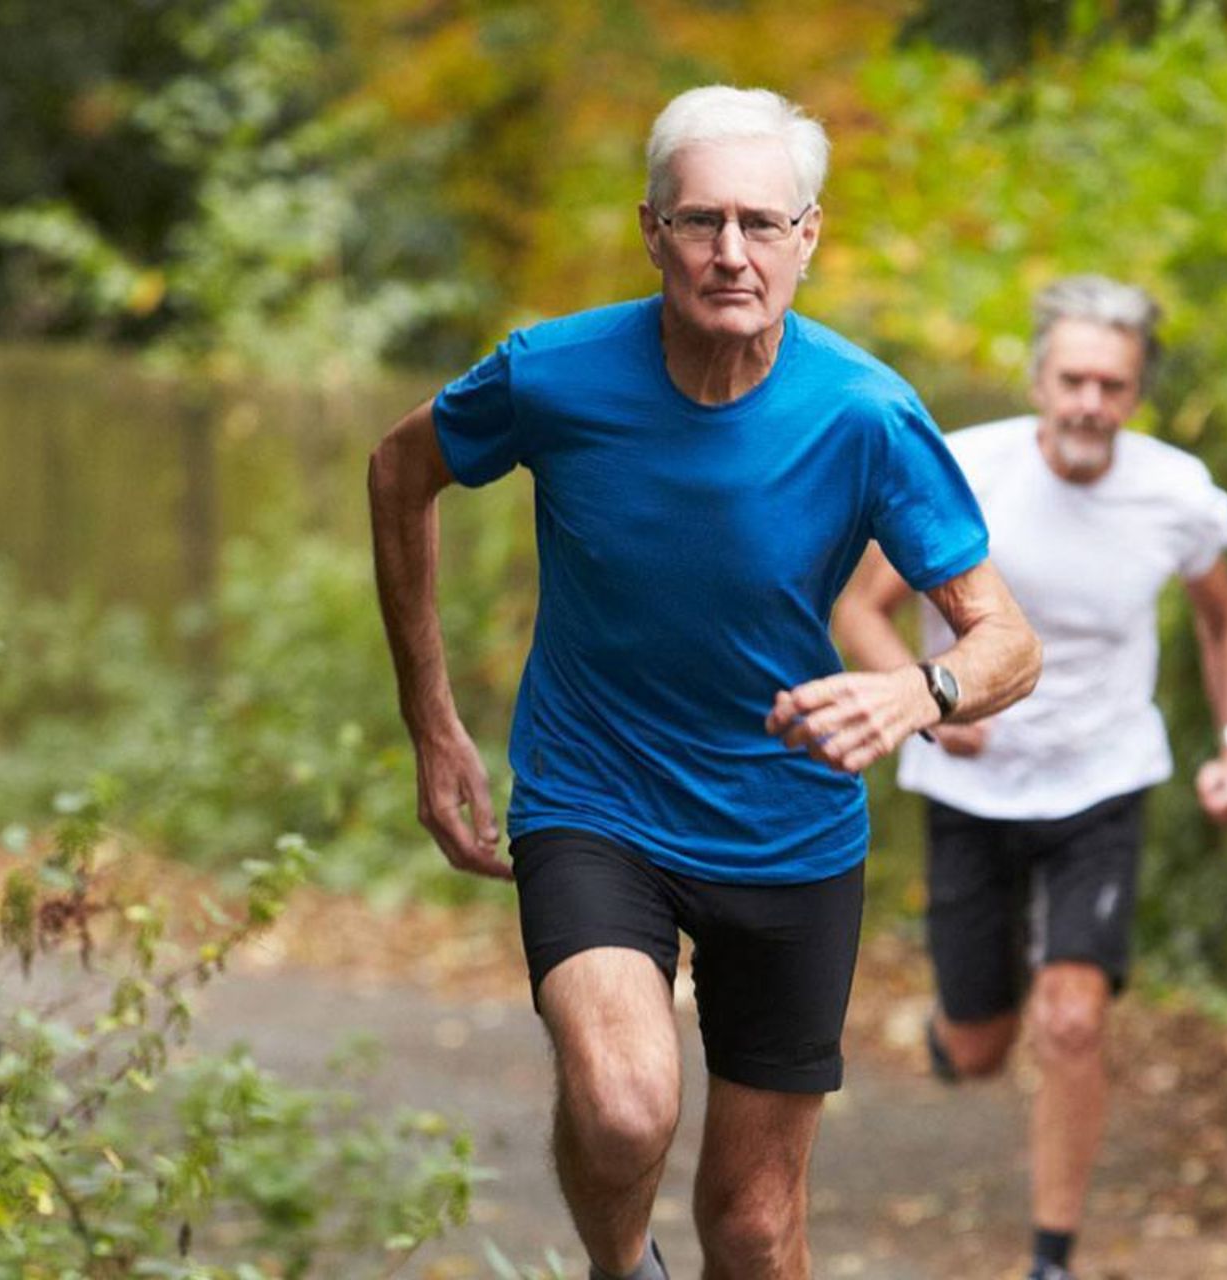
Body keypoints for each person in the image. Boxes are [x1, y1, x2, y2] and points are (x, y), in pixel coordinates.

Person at [367, 86, 1039, 1280]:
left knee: (754, 1225)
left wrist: (914, 692)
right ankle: (622, 1266)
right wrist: (432, 719)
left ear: (808, 237)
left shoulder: (866, 413)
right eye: (702, 220)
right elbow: (397, 469)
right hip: (595, 798)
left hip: (787, 827)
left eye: (763, 223)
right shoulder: (554, 376)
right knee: (625, 1104)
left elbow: (1008, 641)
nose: (733, 252)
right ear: (653, 231)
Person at [832, 275, 1227, 1280]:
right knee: (982, 1045)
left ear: (1137, 393)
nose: (1089, 403)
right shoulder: (965, 470)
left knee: (1073, 1017)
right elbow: (861, 608)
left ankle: (1051, 1259)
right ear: (1038, 381)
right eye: (1072, 380)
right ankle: (959, 1031)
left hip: (1102, 783)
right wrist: (925, 704)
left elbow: (1226, 620)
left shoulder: (1176, 493)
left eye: (1111, 385)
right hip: (973, 792)